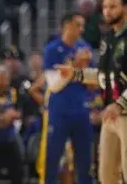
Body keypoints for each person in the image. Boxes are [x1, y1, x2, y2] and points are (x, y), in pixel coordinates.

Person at [55, 0, 127, 184]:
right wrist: (75, 73)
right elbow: (103, 76)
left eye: (113, 7)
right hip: (110, 113)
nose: (107, 11)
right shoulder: (107, 39)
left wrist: (119, 104)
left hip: (123, 111)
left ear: (125, 8)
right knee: (106, 175)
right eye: (104, 7)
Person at [37, 12, 93, 184]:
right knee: (52, 158)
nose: (81, 29)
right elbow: (54, 84)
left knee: (85, 161)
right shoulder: (52, 50)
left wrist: (82, 70)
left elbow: (93, 84)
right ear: (66, 26)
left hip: (82, 110)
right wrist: (76, 65)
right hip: (58, 111)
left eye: (83, 25)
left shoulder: (85, 48)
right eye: (78, 25)